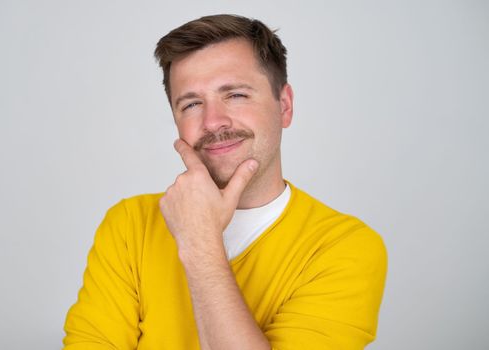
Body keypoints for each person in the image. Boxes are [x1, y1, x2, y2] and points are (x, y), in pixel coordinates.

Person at [63, 14, 387, 350]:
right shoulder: (131, 225)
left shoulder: (345, 248)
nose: (213, 121)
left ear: (285, 106)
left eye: (235, 95)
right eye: (191, 104)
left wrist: (200, 242)